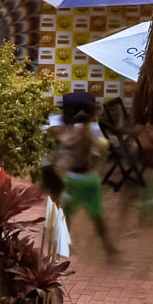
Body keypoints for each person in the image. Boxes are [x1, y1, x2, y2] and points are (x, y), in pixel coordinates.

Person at [49, 94, 114, 254]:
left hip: (75, 179)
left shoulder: (67, 128)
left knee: (68, 214)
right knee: (96, 216)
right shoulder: (91, 129)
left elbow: (62, 156)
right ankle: (108, 248)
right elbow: (102, 149)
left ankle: (62, 245)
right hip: (89, 178)